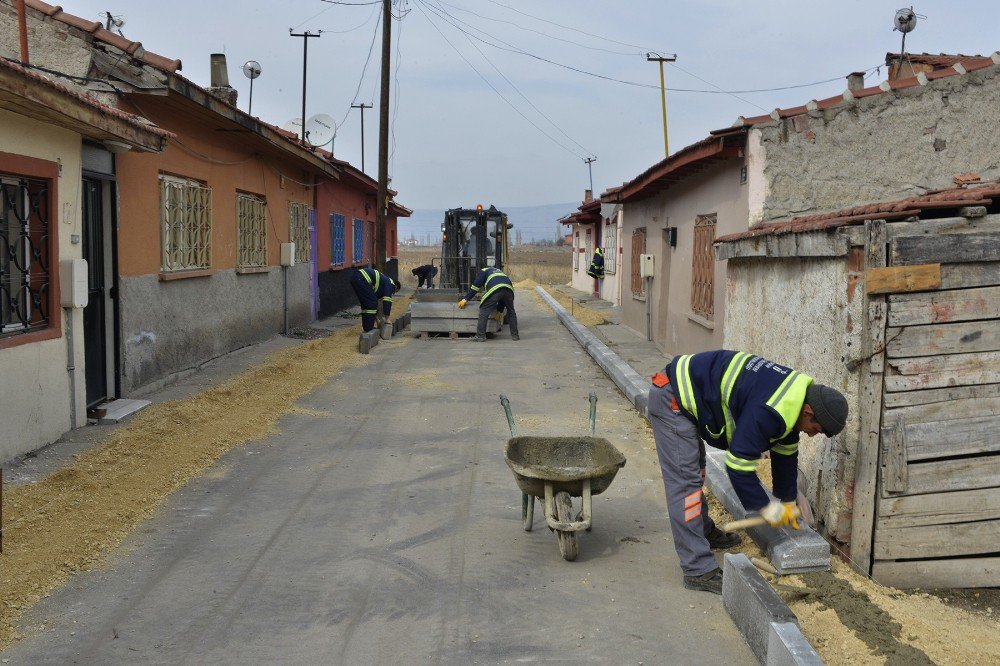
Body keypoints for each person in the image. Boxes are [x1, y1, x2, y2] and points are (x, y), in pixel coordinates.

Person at [648, 350, 848, 594]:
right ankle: (697, 569)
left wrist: (787, 502)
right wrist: (766, 508)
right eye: (814, 428)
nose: (811, 434)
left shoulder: (793, 402)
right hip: (673, 399)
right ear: (808, 411)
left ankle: (702, 531)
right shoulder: (770, 409)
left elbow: (785, 454)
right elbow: (738, 465)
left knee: (695, 474)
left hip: (690, 396)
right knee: (685, 488)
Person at [457, 266, 519, 342]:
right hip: (509, 290)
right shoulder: (499, 271)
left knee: (484, 310)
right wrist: (500, 310)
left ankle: (480, 336)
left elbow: (475, 287)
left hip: (495, 289)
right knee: (511, 312)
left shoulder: (483, 271)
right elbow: (502, 296)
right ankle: (515, 336)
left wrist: (465, 299)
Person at [350, 266, 398, 332]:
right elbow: (387, 300)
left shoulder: (382, 284)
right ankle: (369, 329)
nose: (392, 293)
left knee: (367, 304)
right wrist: (387, 318)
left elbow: (371, 304)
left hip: (357, 278)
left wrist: (377, 320)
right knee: (371, 303)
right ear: (395, 287)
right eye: (394, 292)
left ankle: (367, 328)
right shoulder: (390, 283)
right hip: (361, 278)